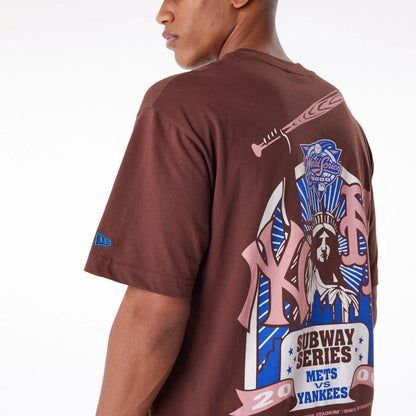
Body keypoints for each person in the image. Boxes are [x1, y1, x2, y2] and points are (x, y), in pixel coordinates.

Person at [84, 0, 378, 415]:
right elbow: (365, 300)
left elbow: (153, 314)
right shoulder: (341, 116)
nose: (163, 13)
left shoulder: (182, 106)